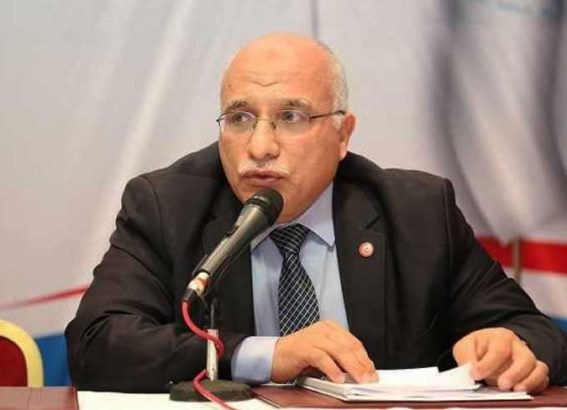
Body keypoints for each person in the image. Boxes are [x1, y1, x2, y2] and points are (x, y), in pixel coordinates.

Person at [66, 32, 567, 393]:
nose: (260, 147)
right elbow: (96, 343)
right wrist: (266, 355)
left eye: (291, 116)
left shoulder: (417, 212)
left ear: (342, 134)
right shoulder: (168, 205)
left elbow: (537, 333)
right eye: (240, 118)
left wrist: (509, 346)